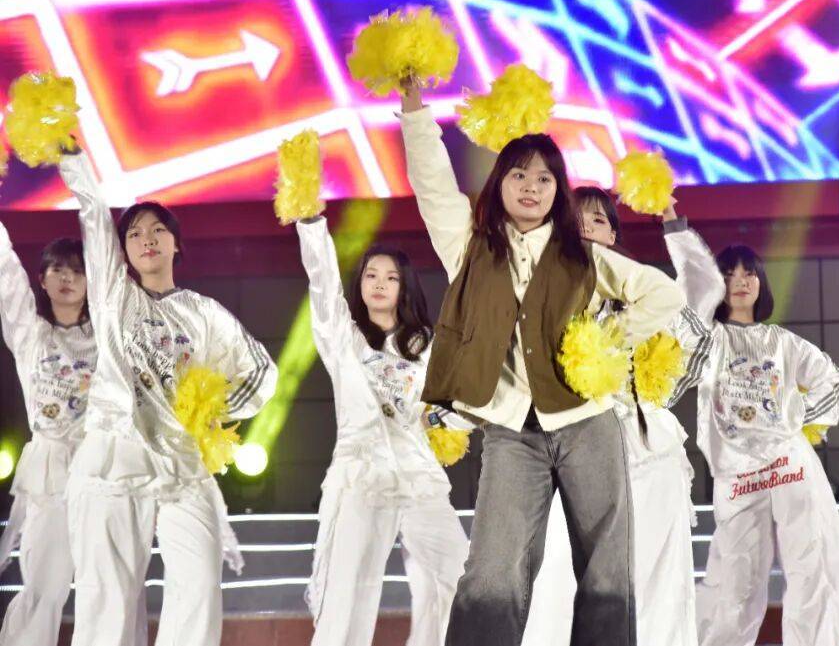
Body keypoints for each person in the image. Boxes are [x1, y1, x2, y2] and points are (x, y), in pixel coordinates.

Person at [398, 81, 685, 646]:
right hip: (511, 432)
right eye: (519, 175)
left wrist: (606, 342)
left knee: (606, 569)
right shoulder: (469, 245)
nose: (531, 187)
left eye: (545, 178)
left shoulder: (584, 254)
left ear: (559, 190)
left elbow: (664, 295)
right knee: (493, 570)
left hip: (589, 423)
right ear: (499, 184)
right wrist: (413, 110)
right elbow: (432, 183)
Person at [55, 148, 277, 646]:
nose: (146, 239)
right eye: (134, 234)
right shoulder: (114, 295)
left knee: (199, 590)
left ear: (177, 244)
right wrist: (73, 160)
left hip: (182, 464)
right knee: (109, 600)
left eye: (158, 230)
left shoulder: (206, 313)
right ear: (122, 251)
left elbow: (261, 371)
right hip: (114, 460)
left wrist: (214, 407)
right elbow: (94, 214)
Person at [522, 186, 712, 646]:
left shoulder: (645, 294)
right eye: (576, 219)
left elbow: (699, 313)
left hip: (650, 455)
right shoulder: (539, 296)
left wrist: (672, 221)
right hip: (576, 454)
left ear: (613, 235)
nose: (587, 227)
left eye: (599, 220)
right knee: (564, 580)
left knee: (659, 581)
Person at [663, 203, 839, 646]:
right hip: (736, 473)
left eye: (750, 273)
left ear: (760, 282)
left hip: (788, 462)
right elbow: (694, 284)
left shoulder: (782, 342)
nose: (741, 280)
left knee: (812, 564)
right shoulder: (708, 340)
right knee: (734, 580)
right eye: (730, 273)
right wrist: (675, 226)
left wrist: (794, 423)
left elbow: (834, 381)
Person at [293, 213, 469, 646]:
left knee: (456, 578)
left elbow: (462, 405)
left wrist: (433, 418)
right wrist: (312, 226)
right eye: (371, 275)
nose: (379, 283)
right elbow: (323, 288)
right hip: (361, 477)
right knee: (348, 591)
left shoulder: (427, 345)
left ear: (404, 288)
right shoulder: (344, 340)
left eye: (391, 277)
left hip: (419, 479)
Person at [0, 231, 95, 645]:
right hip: (49, 473)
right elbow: (6, 274)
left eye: (77, 270)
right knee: (43, 587)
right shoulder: (30, 334)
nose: (67, 278)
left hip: (99, 470)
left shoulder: (107, 335)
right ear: (42, 279)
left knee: (104, 590)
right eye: (58, 269)